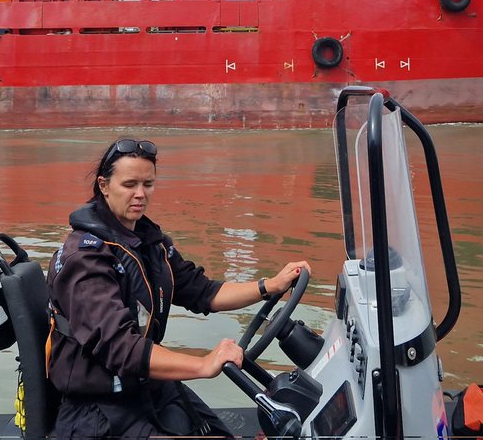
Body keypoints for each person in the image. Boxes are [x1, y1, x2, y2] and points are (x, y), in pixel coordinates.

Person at [46, 138, 310, 440]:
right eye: (129, 184)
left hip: (147, 389)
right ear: (104, 185)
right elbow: (121, 349)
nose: (140, 194)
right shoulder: (84, 257)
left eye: (148, 184)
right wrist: (204, 364)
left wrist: (269, 285)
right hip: (98, 411)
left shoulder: (149, 243)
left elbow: (203, 292)